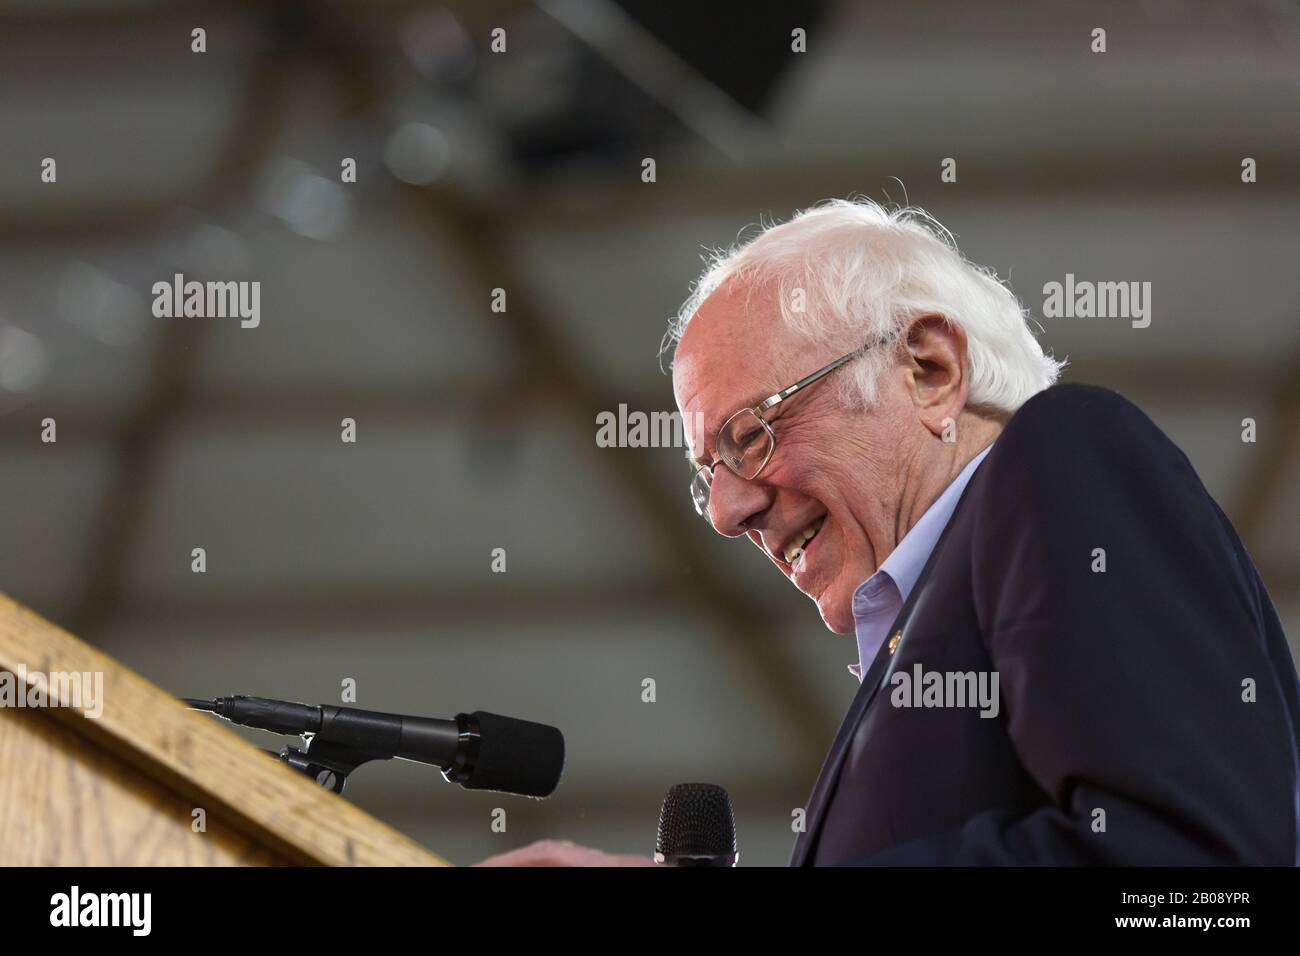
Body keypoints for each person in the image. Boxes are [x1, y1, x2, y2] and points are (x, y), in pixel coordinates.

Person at [481, 199, 1299, 866]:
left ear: (931, 369)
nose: (729, 514)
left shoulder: (1063, 452)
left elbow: (1199, 882)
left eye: (750, 436)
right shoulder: (926, 637)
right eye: (708, 479)